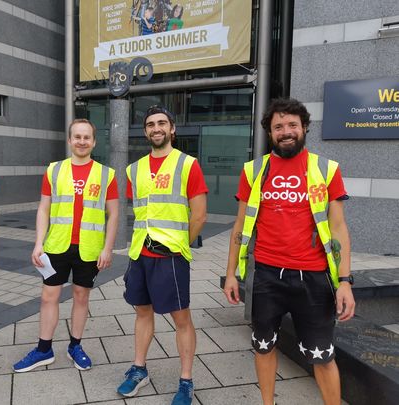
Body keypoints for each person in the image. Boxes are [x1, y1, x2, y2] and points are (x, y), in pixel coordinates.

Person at [223, 98, 356, 405]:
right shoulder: (254, 170)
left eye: (292, 125)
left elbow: (339, 228)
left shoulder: (326, 169)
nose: (286, 132)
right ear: (270, 132)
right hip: (267, 276)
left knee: (322, 355)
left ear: (304, 127)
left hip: (314, 279)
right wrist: (231, 274)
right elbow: (240, 228)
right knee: (263, 346)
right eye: (278, 126)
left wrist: (345, 281)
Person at [117, 106, 208, 405]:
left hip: (170, 256)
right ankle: (139, 369)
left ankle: (185, 380)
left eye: (162, 123)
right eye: (150, 124)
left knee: (181, 318)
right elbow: (140, 211)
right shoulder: (134, 169)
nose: (156, 128)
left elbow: (199, 215)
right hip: (139, 254)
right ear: (145, 132)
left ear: (172, 129)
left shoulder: (188, 164)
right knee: (142, 312)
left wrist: (180, 245)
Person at [13, 118, 119, 373]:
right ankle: (43, 349)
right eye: (77, 137)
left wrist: (107, 248)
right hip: (57, 245)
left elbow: (113, 214)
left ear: (93, 141)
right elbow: (44, 208)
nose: (82, 141)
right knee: (49, 296)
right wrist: (38, 243)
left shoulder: (107, 174)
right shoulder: (54, 170)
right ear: (70, 140)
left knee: (81, 297)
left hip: (89, 248)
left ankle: (75, 346)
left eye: (87, 137)